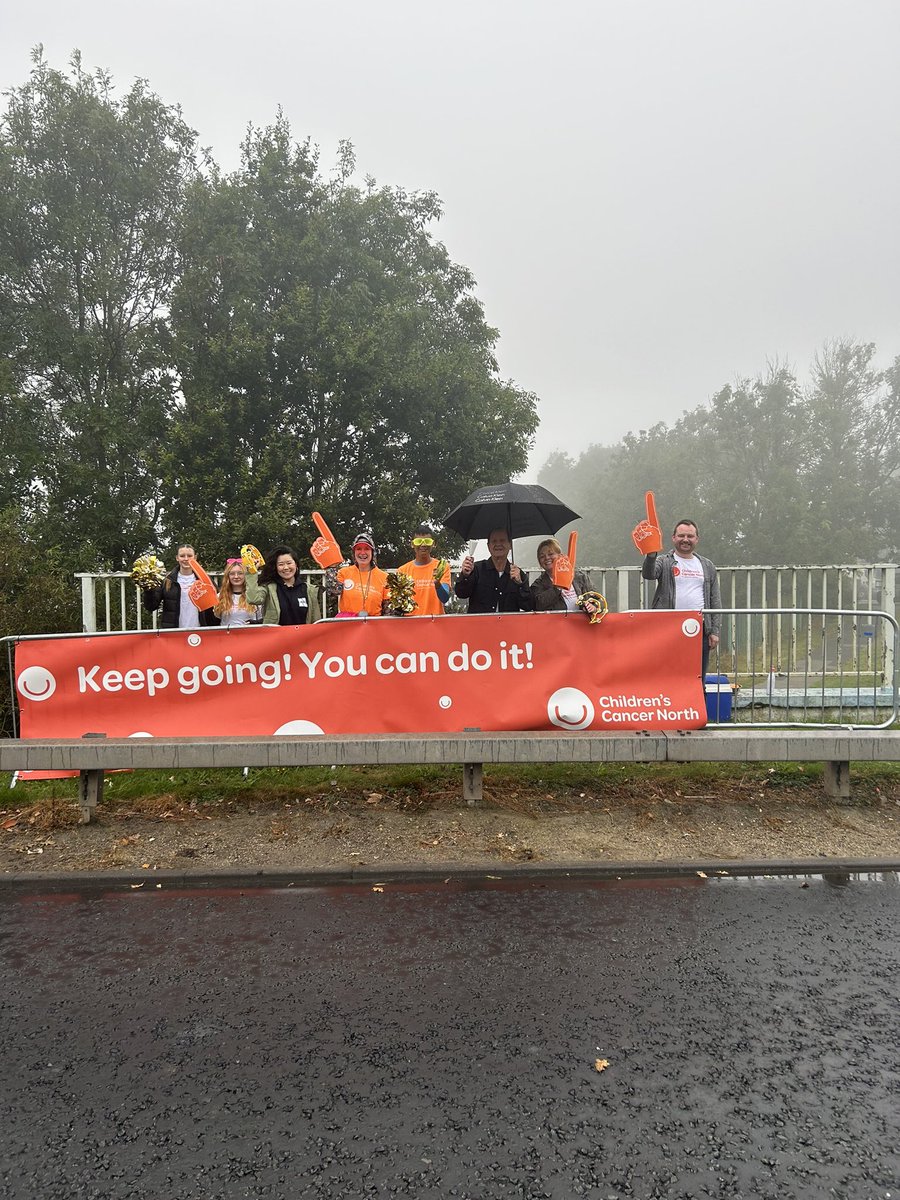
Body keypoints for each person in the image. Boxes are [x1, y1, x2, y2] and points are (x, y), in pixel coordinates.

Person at [641, 518, 721, 676]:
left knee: (696, 679)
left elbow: (715, 600)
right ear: (673, 538)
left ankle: (697, 701)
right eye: (681, 535)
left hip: (699, 629)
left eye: (690, 536)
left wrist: (715, 631)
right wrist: (650, 555)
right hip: (667, 629)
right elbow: (648, 574)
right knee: (667, 676)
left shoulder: (707, 565)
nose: (686, 540)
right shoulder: (663, 561)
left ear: (697, 539)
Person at [454, 527, 533, 614]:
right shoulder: (476, 569)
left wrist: (520, 584)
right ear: (488, 546)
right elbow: (461, 594)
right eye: (494, 541)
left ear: (510, 545)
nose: (498, 544)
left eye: (502, 540)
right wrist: (465, 575)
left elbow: (528, 606)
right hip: (480, 625)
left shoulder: (518, 574)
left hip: (508, 626)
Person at [246, 545, 322, 625]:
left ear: (296, 565)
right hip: (276, 636)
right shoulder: (269, 588)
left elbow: (316, 622)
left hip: (303, 637)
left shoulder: (309, 590)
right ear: (275, 567)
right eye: (281, 564)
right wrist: (252, 572)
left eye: (289, 563)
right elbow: (253, 599)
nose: (286, 567)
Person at [325, 532, 390, 617]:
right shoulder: (344, 573)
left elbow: (388, 610)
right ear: (354, 552)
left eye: (367, 549)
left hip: (374, 625)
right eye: (358, 549)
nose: (362, 553)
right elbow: (333, 593)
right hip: (348, 625)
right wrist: (331, 568)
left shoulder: (384, 577)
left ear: (372, 552)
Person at [142, 543, 201, 629]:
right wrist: (148, 589)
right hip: (173, 633)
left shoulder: (204, 580)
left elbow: (215, 605)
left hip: (201, 632)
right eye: (182, 556)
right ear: (177, 558)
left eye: (189, 556)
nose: (186, 559)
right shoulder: (167, 580)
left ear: (195, 558)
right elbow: (151, 606)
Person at [396, 525, 451, 616]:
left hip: (435, 623)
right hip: (411, 624)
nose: (423, 545)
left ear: (433, 544)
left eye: (427, 541)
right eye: (418, 541)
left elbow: (444, 598)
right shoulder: (402, 571)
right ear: (412, 544)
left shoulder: (442, 567)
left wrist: (437, 584)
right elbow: (398, 605)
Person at [531, 538, 594, 612]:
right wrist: (557, 588)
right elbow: (538, 605)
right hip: (556, 622)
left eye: (551, 554)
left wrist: (593, 607)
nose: (547, 558)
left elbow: (599, 599)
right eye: (542, 556)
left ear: (560, 556)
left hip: (582, 622)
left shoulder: (580, 577)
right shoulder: (538, 584)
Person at [202, 559, 261, 628]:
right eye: (232, 573)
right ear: (228, 576)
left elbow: (262, 620)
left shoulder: (254, 596)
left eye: (240, 573)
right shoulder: (219, 597)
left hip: (250, 636)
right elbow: (212, 622)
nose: (236, 576)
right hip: (226, 637)